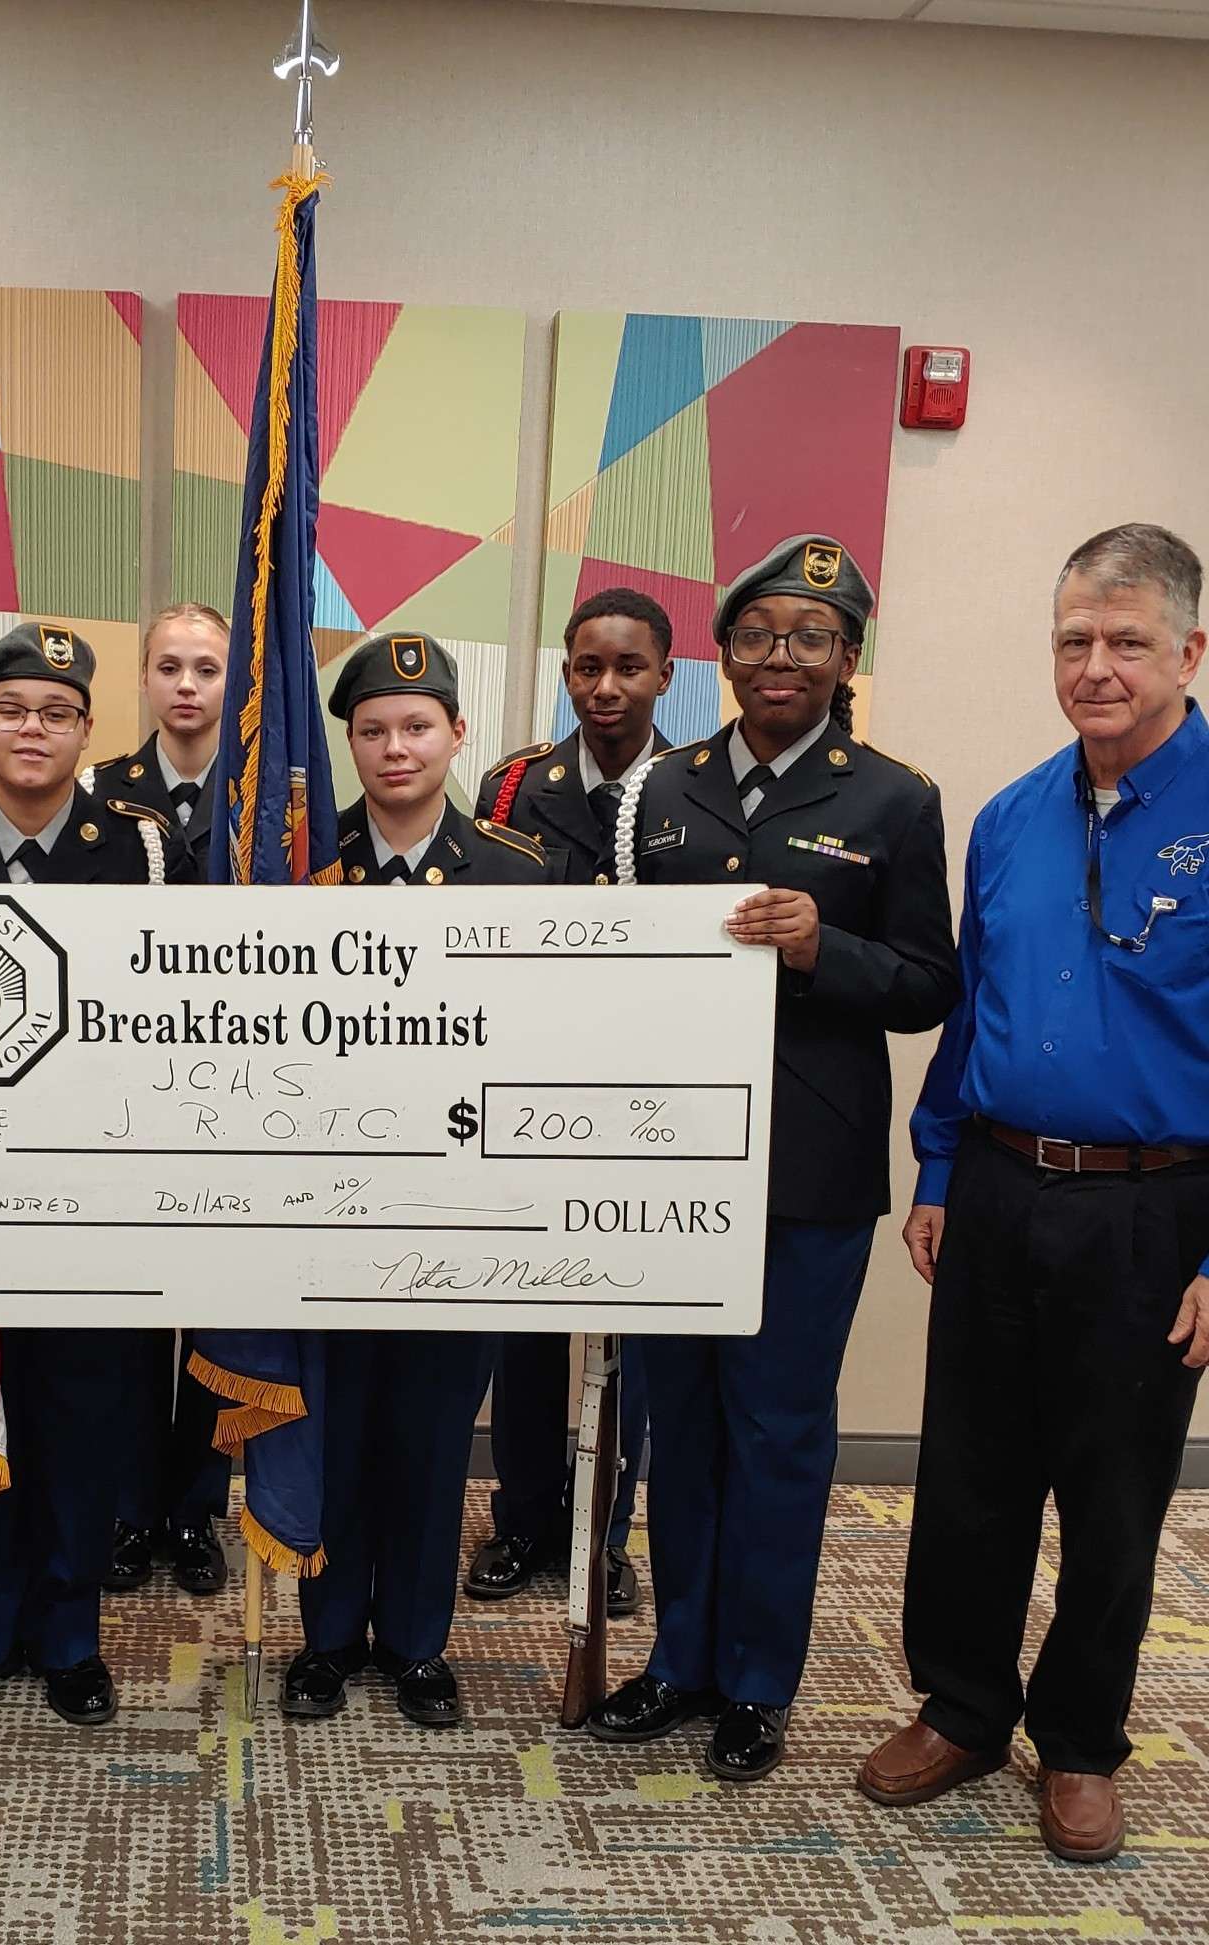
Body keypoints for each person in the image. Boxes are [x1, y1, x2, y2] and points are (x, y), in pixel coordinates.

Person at [861, 524, 1209, 1864]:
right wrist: (938, 1164)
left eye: (1127, 640)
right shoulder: (1008, 816)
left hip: (1155, 1212)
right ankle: (961, 1705)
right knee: (969, 1473)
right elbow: (973, 1014)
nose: (1097, 665)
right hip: (1002, 1189)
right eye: (1075, 639)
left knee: (1115, 1492)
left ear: (1187, 649)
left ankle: (1079, 1742)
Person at [588, 535, 958, 1782]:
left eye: (809, 637)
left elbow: (927, 986)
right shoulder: (662, 785)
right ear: (722, 655)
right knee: (675, 1427)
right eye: (755, 636)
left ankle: (756, 1681)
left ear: (847, 657)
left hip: (809, 1173)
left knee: (782, 1431)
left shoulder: (893, 798)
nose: (779, 658)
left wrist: (823, 950)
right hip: (667, 1168)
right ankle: (679, 1660)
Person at [278, 631, 549, 1730]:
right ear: (350, 742)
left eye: (417, 726)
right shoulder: (302, 862)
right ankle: (329, 1636)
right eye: (374, 730)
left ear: (456, 732)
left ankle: (421, 1644)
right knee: (334, 1430)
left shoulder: (519, 870)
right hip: (328, 1204)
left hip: (461, 1207)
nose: (396, 748)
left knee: (436, 1438)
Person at [0, 622, 182, 1733]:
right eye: (12, 709)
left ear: (87, 731)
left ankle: (70, 1632)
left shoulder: (147, 847)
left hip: (98, 1198)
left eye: (58, 712)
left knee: (84, 1424)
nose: (34, 729)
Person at [466, 587, 674, 1615]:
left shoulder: (696, 789)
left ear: (665, 677)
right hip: (528, 1096)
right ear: (566, 672)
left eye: (627, 668)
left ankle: (606, 1531)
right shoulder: (513, 790)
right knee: (528, 1330)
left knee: (625, 1341)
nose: (605, 687)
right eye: (587, 666)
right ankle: (523, 1523)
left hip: (647, 1103)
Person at [85, 603, 232, 1597]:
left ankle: (197, 1511)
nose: (188, 685)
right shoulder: (99, 794)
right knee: (133, 1324)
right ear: (142, 679)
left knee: (218, 1320)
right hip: (129, 1095)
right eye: (170, 666)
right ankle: (130, 1508)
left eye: (208, 667)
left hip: (237, 1097)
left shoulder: (274, 797)